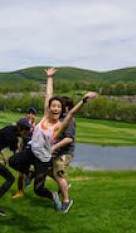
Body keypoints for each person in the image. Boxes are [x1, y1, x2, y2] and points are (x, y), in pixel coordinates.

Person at [10, 67, 97, 210]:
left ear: (62, 110)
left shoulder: (59, 126)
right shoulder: (45, 116)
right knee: (13, 162)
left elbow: (72, 114)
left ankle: (53, 196)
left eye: (58, 107)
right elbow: (48, 94)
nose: (55, 108)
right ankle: (30, 174)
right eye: (53, 106)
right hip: (31, 151)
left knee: (38, 190)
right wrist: (49, 78)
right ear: (49, 108)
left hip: (43, 159)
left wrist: (84, 100)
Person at [50, 96, 75, 213]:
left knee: (59, 174)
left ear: (66, 108)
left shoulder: (69, 120)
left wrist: (54, 147)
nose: (57, 108)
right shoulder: (60, 119)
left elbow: (69, 139)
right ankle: (65, 185)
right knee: (49, 171)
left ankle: (66, 201)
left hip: (65, 153)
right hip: (57, 152)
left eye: (61, 106)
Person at [12, 107, 37, 200]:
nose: (30, 115)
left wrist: (33, 128)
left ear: (35, 116)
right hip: (24, 151)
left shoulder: (37, 126)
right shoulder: (23, 125)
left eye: (33, 114)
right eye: (29, 113)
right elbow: (20, 138)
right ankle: (20, 192)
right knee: (21, 174)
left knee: (41, 171)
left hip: (34, 152)